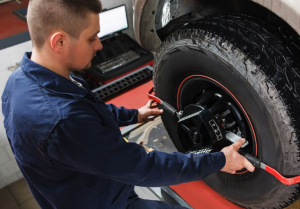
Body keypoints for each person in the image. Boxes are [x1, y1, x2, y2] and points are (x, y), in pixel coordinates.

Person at [1, 0, 255, 208]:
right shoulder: (62, 121)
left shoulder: (20, 81)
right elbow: (143, 168)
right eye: (92, 38)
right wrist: (218, 161)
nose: (99, 45)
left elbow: (88, 110)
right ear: (59, 42)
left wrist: (133, 115)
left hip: (84, 189)